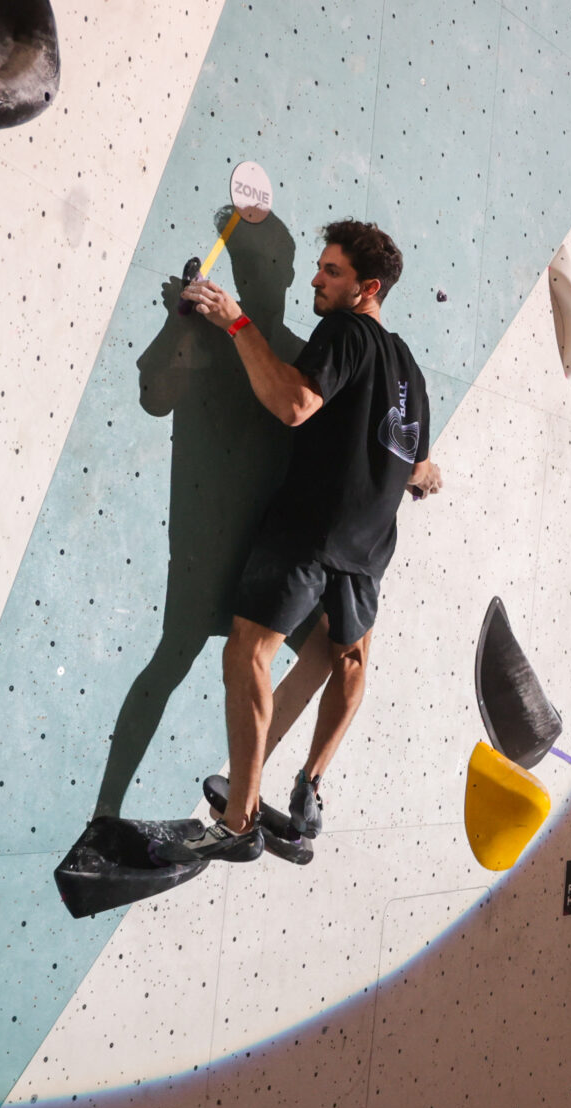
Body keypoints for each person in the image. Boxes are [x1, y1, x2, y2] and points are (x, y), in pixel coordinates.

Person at [182, 220, 440, 865]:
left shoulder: (346, 332)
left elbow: (294, 403)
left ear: (367, 287)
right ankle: (310, 786)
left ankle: (239, 822)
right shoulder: (408, 367)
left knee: (247, 655)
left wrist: (238, 324)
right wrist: (423, 473)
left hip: (310, 530)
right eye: (318, 267)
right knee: (348, 664)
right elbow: (417, 465)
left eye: (332, 272)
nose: (315, 281)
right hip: (369, 548)